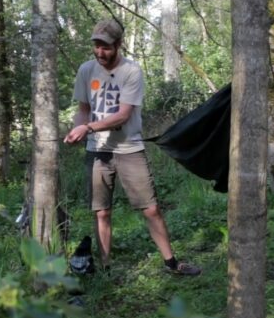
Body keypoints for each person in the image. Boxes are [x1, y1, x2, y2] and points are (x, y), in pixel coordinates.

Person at [63, 19, 201, 276]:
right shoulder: (86, 70)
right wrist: (77, 130)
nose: (99, 52)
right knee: (101, 212)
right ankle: (105, 269)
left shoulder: (131, 71)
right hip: (97, 151)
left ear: (118, 45)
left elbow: (123, 115)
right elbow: (83, 110)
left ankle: (171, 263)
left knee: (151, 208)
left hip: (129, 148)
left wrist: (88, 128)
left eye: (105, 47)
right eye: (96, 46)